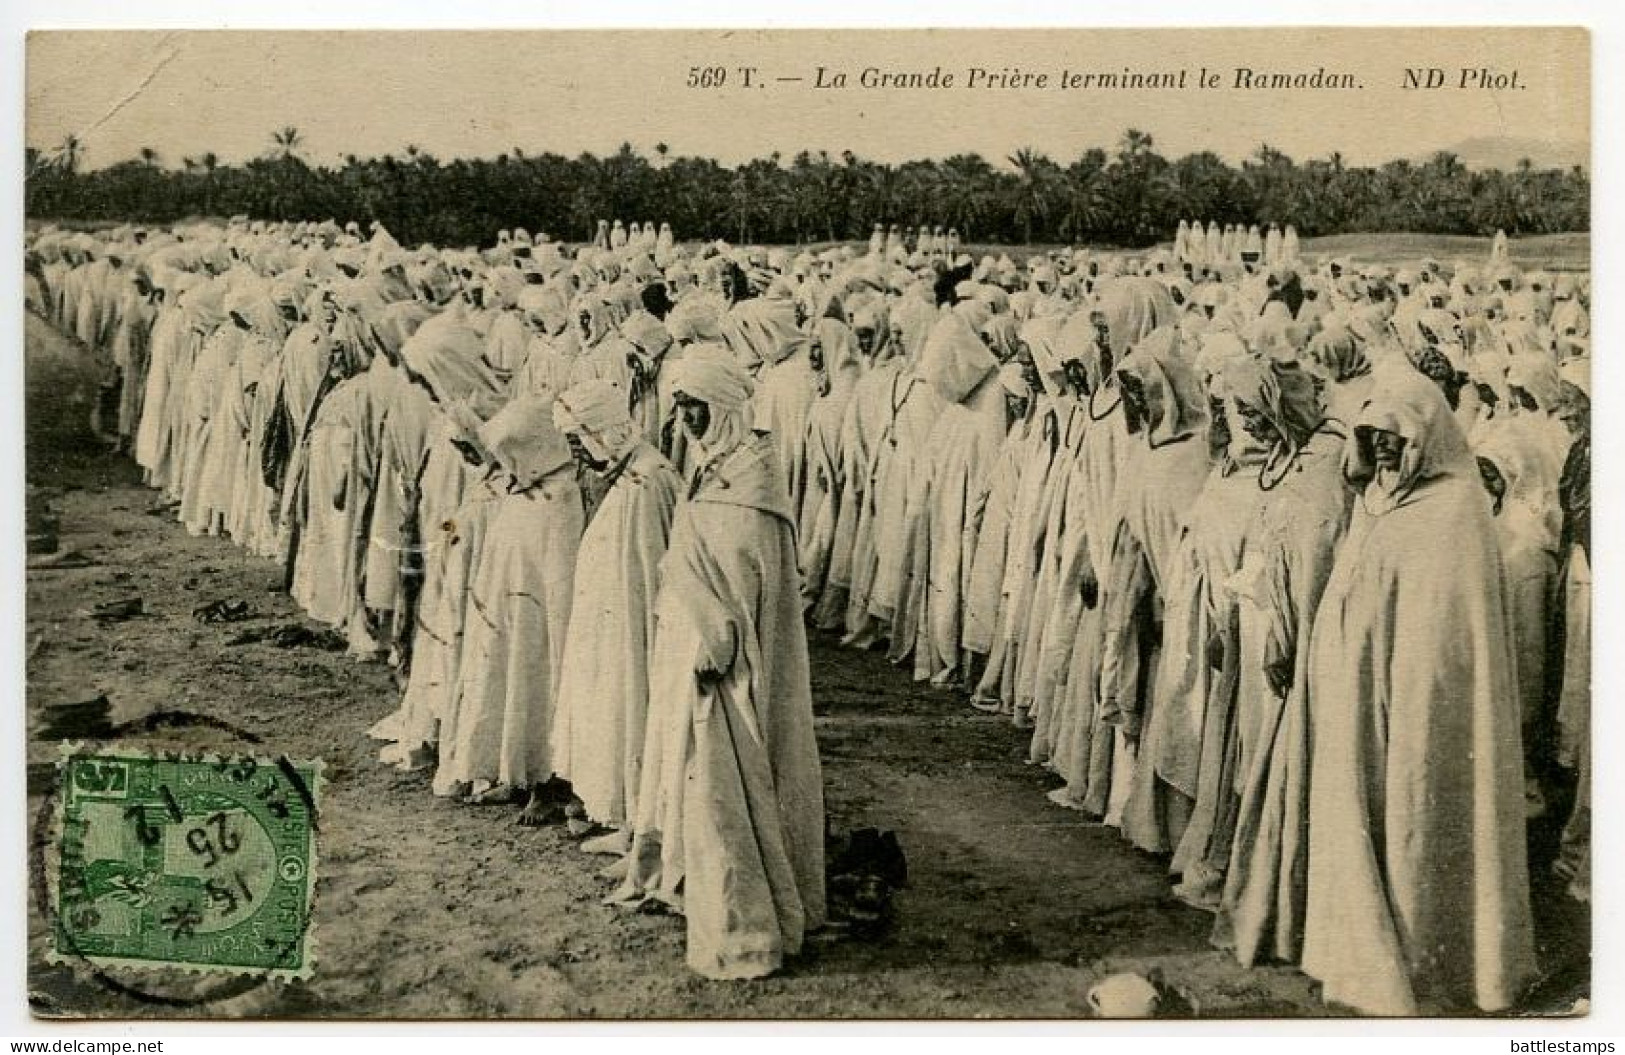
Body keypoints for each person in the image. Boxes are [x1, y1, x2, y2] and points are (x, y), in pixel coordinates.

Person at [1301, 363, 1535, 1015]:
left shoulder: (1454, 510)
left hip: (1423, 711)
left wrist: (1404, 689)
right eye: (1370, 435)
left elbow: (1450, 643)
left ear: (1423, 438)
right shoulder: (1374, 503)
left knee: (1419, 819)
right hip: (1362, 701)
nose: (1379, 448)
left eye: (1391, 437)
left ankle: (1437, 959)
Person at [612, 344, 826, 981]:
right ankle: (693, 883)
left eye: (695, 406)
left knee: (725, 794)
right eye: (678, 407)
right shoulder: (715, 470)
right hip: (699, 649)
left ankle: (744, 924)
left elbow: (747, 580)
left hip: (732, 667)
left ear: (725, 405)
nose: (685, 420)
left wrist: (713, 634)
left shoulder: (754, 487)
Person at [436, 394, 584, 815]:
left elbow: (558, 581)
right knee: (506, 687)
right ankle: (512, 772)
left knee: (539, 693)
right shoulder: (521, 493)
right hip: (507, 619)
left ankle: (546, 784)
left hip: (542, 627)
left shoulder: (562, 498)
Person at [549, 379, 682, 847]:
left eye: (578, 442)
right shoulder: (628, 477)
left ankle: (635, 824)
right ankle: (620, 814)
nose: (578, 455)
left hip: (633, 626)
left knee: (632, 709)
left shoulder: (650, 481)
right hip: (611, 625)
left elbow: (650, 568)